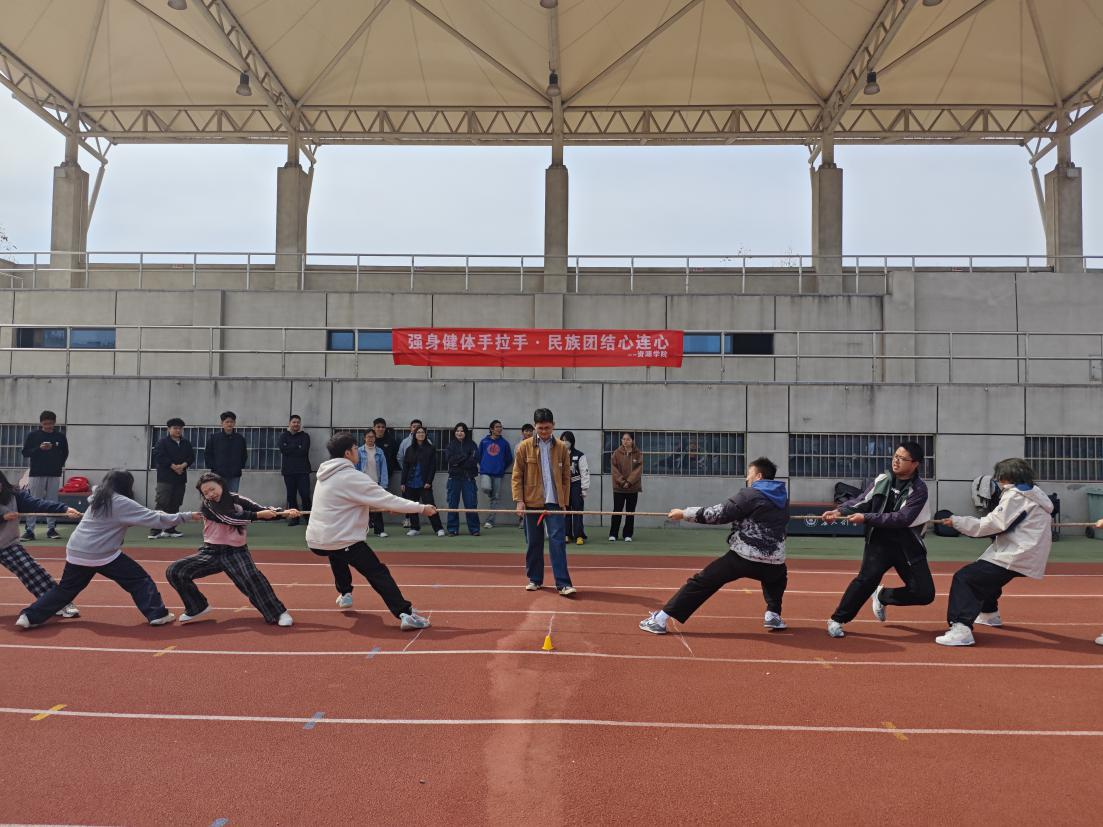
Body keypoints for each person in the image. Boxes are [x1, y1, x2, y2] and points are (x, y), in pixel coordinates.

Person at [16, 470, 195, 629]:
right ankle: (157, 614)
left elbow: (140, 516)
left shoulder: (98, 497)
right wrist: (186, 516)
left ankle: (29, 616)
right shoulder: (121, 502)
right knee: (139, 580)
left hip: (77, 550)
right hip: (101, 553)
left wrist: (155, 515)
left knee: (65, 590)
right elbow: (156, 520)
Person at [640, 457, 790, 634]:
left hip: (744, 557)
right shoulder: (783, 498)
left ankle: (660, 620)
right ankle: (773, 614)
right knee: (777, 578)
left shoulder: (750, 495)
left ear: (758, 476)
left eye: (749, 474)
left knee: (702, 582)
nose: (747, 478)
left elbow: (719, 514)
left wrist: (684, 513)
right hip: (774, 560)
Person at [306, 431, 434, 627]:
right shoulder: (352, 477)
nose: (358, 451)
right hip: (339, 539)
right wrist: (421, 508)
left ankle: (345, 592)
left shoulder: (325, 475)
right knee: (377, 572)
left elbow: (350, 502)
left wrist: (383, 506)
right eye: (355, 448)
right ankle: (405, 613)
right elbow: (387, 498)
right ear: (348, 453)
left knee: (336, 553)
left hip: (317, 540)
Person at [933, 458, 1054, 647]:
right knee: (988, 576)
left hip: (1017, 552)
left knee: (966, 578)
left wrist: (957, 522)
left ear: (1008, 476)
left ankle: (961, 628)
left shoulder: (1016, 496)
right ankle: (989, 614)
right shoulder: (1035, 494)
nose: (997, 480)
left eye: (999, 476)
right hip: (1026, 551)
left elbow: (992, 524)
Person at [822, 441, 933, 638]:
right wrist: (839, 511)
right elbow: (863, 500)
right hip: (880, 542)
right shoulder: (883, 479)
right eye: (895, 456)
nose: (896, 461)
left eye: (902, 459)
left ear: (915, 464)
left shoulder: (919, 490)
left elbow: (902, 518)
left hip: (907, 545)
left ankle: (883, 596)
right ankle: (837, 620)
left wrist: (867, 518)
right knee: (866, 580)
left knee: (924, 593)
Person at [167, 473, 295, 627]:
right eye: (205, 492)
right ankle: (197, 606)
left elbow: (262, 510)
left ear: (221, 485)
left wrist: (284, 513)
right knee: (175, 571)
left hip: (236, 552)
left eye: (212, 489)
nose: (210, 494)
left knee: (252, 578)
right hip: (211, 552)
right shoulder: (208, 505)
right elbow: (229, 518)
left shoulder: (238, 500)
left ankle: (278, 613)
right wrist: (257, 515)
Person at [0, 469, 82, 618]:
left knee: (33, 572)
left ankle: (59, 604)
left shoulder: (15, 496)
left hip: (7, 544)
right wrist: (2, 516)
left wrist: (64, 509)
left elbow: (37, 504)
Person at [512, 408, 575, 595]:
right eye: (540, 428)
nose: (544, 431)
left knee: (558, 542)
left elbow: (566, 477)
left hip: (555, 502)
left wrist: (564, 502)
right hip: (532, 502)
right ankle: (535, 579)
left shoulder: (562, 447)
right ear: (534, 426)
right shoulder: (524, 447)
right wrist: (519, 500)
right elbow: (517, 476)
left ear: (553, 425)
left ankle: (563, 584)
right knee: (534, 542)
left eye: (547, 428)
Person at [21, 409, 69, 540]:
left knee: (52, 500)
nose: (48, 426)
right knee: (33, 500)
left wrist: (58, 465)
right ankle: (30, 530)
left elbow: (65, 453)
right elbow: (25, 452)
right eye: (45, 423)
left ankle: (51, 528)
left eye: (51, 423)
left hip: (54, 473)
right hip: (36, 472)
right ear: (41, 423)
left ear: (54, 423)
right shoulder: (33, 435)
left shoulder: (60, 437)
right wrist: (39, 449)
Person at [150, 417, 195, 539]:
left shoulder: (186, 443)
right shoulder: (162, 442)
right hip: (165, 479)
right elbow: (159, 456)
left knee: (175, 504)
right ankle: (155, 530)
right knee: (162, 503)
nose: (178, 430)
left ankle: (170, 529)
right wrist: (173, 466)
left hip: (180, 479)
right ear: (168, 429)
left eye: (180, 428)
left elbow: (191, 457)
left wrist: (183, 465)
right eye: (175, 428)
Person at [401, 426, 445, 537]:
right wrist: (403, 482)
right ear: (414, 435)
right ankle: (415, 528)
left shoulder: (430, 448)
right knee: (412, 506)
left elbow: (432, 467)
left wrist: (429, 481)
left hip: (424, 483)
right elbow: (405, 467)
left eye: (422, 432)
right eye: (418, 432)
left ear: (425, 435)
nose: (420, 434)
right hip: (410, 483)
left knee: (430, 505)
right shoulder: (409, 449)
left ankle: (438, 528)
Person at [445, 422, 481, 536]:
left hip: (468, 478)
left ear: (465, 432)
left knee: (471, 504)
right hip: (454, 478)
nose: (459, 433)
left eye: (461, 431)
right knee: (452, 504)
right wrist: (465, 456)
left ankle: (474, 529)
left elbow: (473, 461)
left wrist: (459, 462)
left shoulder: (472, 444)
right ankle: (452, 529)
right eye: (457, 431)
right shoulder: (451, 445)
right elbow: (450, 460)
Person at [478, 420, 514, 529]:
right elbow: (479, 456)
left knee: (495, 498)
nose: (499, 429)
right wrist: (484, 465)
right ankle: (491, 494)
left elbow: (509, 459)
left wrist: (502, 468)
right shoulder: (484, 441)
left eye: (500, 427)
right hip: (485, 472)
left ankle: (490, 521)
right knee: (486, 488)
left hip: (498, 474)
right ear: (491, 429)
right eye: (497, 427)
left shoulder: (504, 443)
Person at [609, 432, 643, 542]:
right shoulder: (616, 453)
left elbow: (638, 470)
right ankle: (613, 534)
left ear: (632, 441)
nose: (625, 441)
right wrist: (622, 482)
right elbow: (614, 470)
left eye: (628, 439)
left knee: (630, 512)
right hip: (619, 488)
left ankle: (628, 534)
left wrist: (629, 482)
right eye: (623, 439)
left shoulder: (638, 453)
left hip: (632, 488)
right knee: (617, 511)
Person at [279, 414, 311, 527]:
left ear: (300, 424)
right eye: (294, 422)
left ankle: (308, 517)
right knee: (291, 496)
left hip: (303, 471)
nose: (296, 424)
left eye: (298, 422)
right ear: (289, 423)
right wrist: (297, 446)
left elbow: (304, 451)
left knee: (305, 495)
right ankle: (294, 518)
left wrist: (290, 447)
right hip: (288, 471)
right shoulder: (283, 436)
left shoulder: (305, 436)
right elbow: (283, 449)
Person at [357, 429, 389, 538]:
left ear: (375, 438)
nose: (370, 439)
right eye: (368, 437)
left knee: (377, 507)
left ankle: (379, 530)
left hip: (375, 483)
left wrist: (383, 484)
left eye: (372, 437)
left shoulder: (379, 451)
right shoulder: (359, 451)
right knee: (362, 507)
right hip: (362, 483)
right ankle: (361, 531)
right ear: (364, 438)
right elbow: (355, 468)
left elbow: (384, 468)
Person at [205, 411, 248, 493]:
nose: (229, 424)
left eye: (231, 422)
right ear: (222, 423)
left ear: (234, 423)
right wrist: (213, 468)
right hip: (218, 474)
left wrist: (239, 467)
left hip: (234, 475)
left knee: (232, 496)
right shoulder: (214, 438)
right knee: (218, 496)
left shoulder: (240, 439)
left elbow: (244, 455)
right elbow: (208, 454)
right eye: (227, 422)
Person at [561, 431, 590, 545]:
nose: (565, 442)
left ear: (572, 441)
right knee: (566, 510)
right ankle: (567, 534)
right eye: (563, 440)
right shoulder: (558, 455)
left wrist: (584, 489)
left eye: (567, 440)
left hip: (576, 484)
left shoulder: (579, 455)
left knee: (577, 510)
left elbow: (585, 472)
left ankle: (579, 535)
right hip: (564, 486)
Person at [397, 419, 423, 529]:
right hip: (408, 477)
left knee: (422, 499)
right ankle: (407, 519)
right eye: (414, 426)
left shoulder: (427, 442)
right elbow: (400, 457)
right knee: (408, 500)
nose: (416, 428)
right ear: (410, 428)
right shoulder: (405, 442)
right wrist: (406, 470)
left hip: (422, 478)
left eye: (418, 426)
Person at [515, 423, 534, 530]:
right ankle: (522, 520)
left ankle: (529, 520)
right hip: (522, 474)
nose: (528, 433)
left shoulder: (536, 444)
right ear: (522, 432)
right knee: (521, 498)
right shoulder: (519, 445)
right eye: (526, 431)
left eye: (530, 431)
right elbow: (517, 462)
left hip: (533, 475)